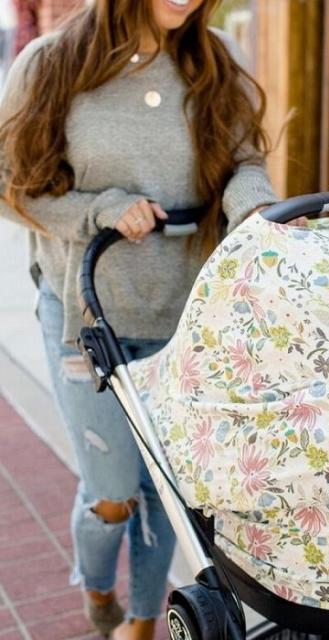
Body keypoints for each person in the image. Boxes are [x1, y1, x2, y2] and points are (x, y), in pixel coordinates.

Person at [0, 1, 280, 638]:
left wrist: (255, 209)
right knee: (113, 494)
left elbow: (245, 163)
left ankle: (144, 620)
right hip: (87, 317)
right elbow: (10, 183)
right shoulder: (53, 63)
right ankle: (98, 584)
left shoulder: (217, 60)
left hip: (185, 317)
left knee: (167, 491)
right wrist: (101, 209)